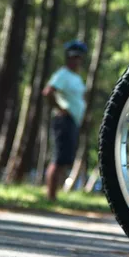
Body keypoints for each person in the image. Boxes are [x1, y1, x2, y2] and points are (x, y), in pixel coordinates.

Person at [42, 40, 87, 201]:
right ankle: (50, 196)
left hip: (73, 121)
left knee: (64, 159)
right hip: (64, 121)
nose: (76, 60)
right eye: (74, 57)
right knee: (58, 158)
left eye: (79, 57)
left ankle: (54, 195)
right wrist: (60, 108)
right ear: (68, 58)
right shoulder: (62, 74)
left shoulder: (76, 77)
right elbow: (48, 92)